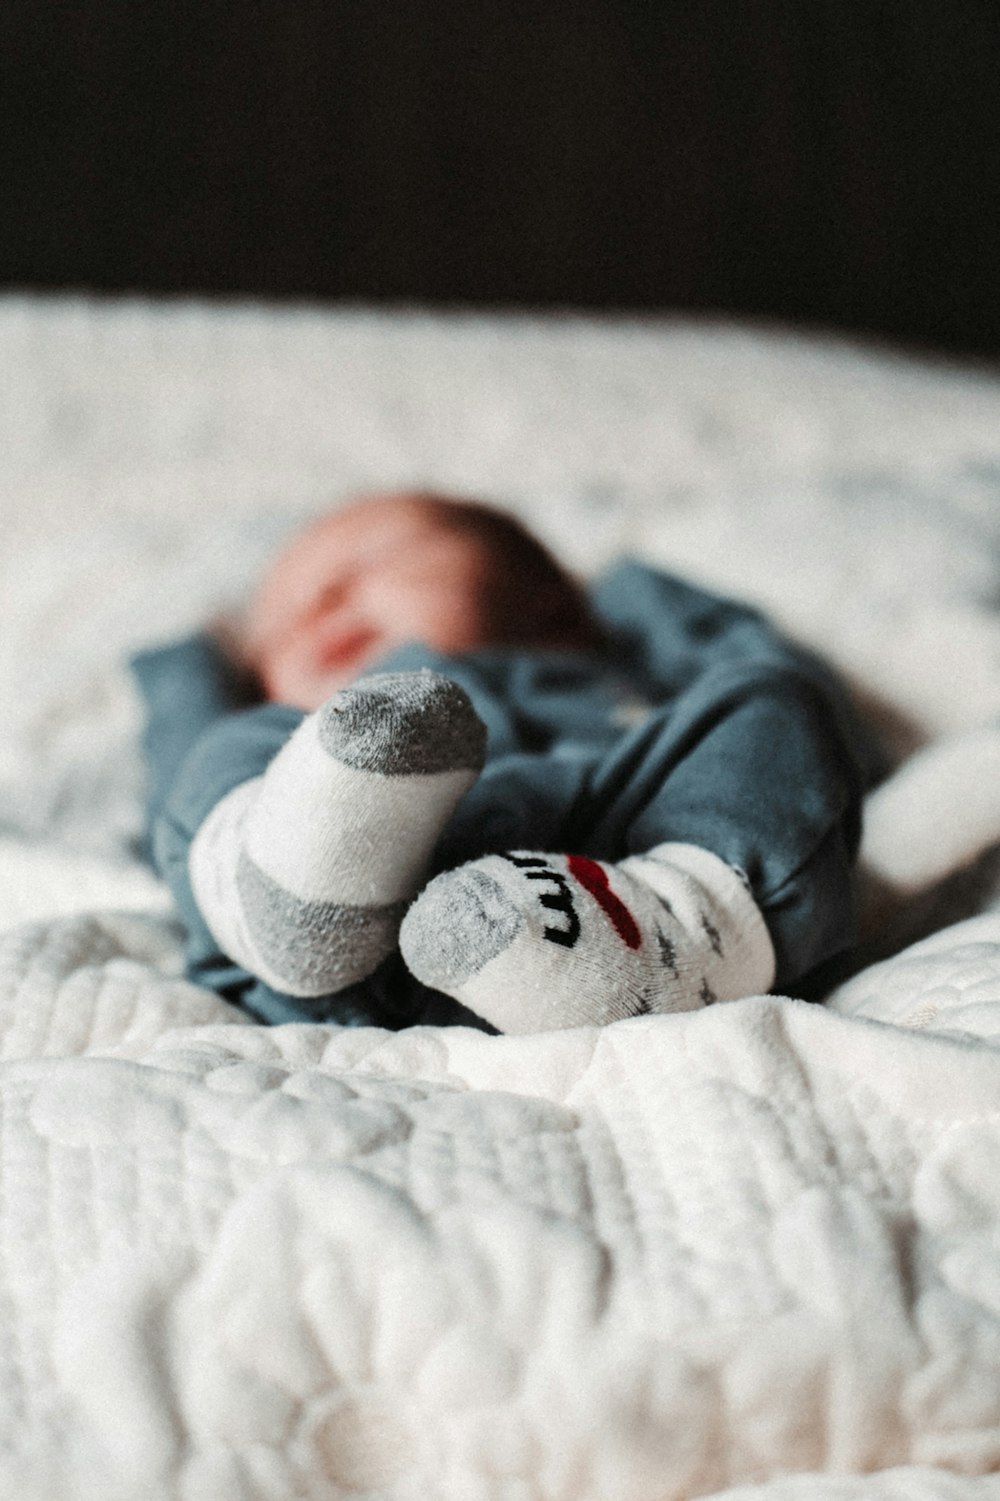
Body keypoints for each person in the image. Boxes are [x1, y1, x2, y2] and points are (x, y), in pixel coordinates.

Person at [132, 490, 880, 1033]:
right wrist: (189, 669)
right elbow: (177, 755)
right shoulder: (281, 718)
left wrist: (634, 594)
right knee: (224, 754)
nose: (320, 603)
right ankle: (291, 894)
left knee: (771, 699)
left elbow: (775, 678)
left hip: (609, 857)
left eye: (368, 563)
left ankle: (685, 933)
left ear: (552, 603)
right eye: (280, 624)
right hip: (343, 954)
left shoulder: (623, 683)